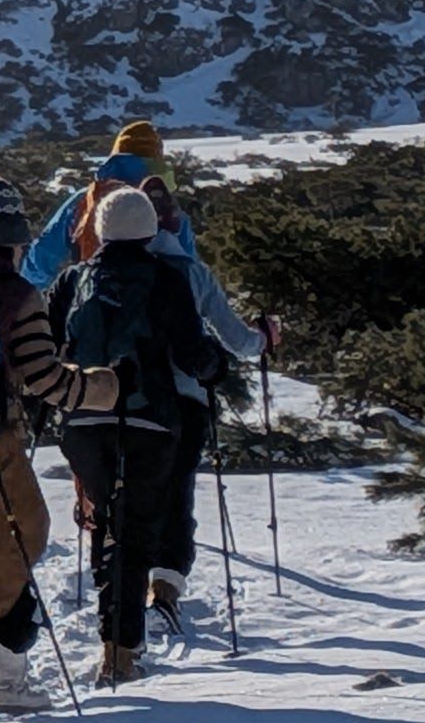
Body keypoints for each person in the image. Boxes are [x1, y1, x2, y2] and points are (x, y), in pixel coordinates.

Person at [24, 122, 262, 617]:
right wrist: (216, 362)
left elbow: (38, 268)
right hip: (164, 392)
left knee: (103, 497)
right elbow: (191, 313)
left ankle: (109, 590)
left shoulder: (84, 203)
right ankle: (155, 595)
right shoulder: (171, 226)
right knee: (167, 493)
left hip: (87, 385)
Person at [0, 177, 113, 714]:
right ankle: (9, 685)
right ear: (16, 241)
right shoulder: (19, 295)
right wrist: (99, 388)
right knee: (11, 555)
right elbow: (44, 377)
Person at [51, 183, 224, 684]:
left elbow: (47, 342)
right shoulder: (166, 278)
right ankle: (122, 651)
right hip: (149, 419)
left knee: (108, 523)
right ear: (150, 228)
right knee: (136, 532)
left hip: (83, 418)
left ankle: (113, 639)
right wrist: (216, 370)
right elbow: (193, 353)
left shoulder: (73, 280)